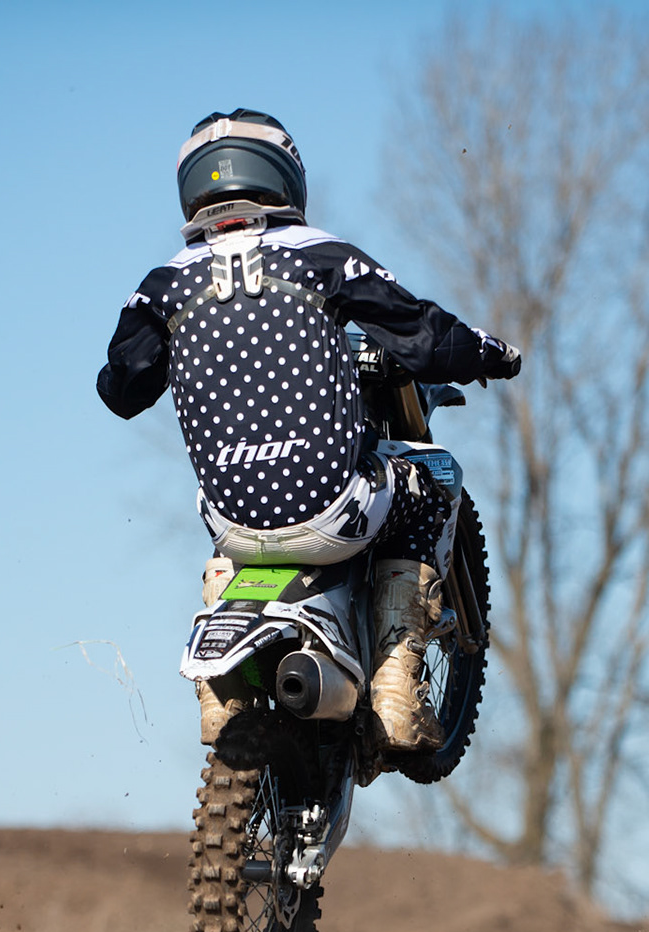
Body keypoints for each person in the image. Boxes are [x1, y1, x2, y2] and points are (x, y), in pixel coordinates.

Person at [97, 109, 522, 751]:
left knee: (226, 509)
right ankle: (398, 681)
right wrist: (491, 352)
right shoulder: (321, 256)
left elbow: (121, 391)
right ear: (284, 176)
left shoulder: (161, 286)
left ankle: (223, 684)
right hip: (332, 514)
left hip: (231, 529)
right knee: (435, 477)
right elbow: (427, 340)